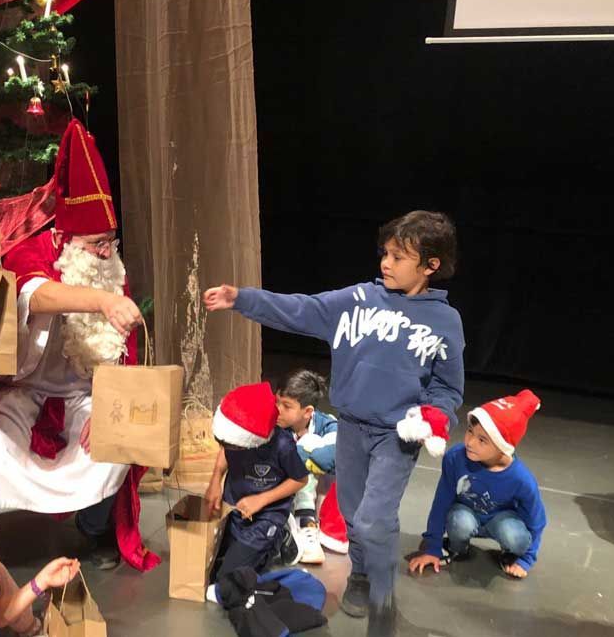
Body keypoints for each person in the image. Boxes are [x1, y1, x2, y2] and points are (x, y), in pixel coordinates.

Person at [204, 210, 465, 622]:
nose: (386, 263)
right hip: (351, 428)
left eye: (399, 257)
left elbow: (448, 387)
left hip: (397, 437)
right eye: (386, 253)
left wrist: (434, 415)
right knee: (351, 512)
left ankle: (382, 599)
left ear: (431, 265)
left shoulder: (445, 321)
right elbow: (299, 309)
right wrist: (243, 299)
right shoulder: (358, 300)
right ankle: (360, 573)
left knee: (375, 521)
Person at [0, 119, 155, 572]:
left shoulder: (109, 269)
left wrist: (109, 408)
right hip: (22, 390)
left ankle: (95, 532)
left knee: (114, 446)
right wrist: (102, 301)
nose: (105, 253)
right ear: (67, 238)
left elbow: (121, 359)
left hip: (84, 393)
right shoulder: (35, 253)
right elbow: (36, 295)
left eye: (110, 243)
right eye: (97, 244)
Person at [409, 390, 546, 580]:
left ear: (503, 447)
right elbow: (441, 503)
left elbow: (536, 520)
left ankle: (510, 555)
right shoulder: (456, 458)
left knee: (515, 536)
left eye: (482, 440)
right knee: (459, 520)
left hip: (501, 521)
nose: (470, 442)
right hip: (466, 515)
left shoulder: (521, 479)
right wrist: (433, 548)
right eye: (470, 431)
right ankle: (457, 549)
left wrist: (527, 559)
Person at [203, 382, 308, 600]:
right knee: (209, 569)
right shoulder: (234, 437)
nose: (229, 448)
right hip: (236, 510)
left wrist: (261, 499)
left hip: (266, 515)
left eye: (234, 446)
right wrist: (215, 481)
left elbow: (300, 479)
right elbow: (225, 450)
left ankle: (281, 536)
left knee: (226, 583)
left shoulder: (282, 445)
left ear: (251, 440)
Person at [273, 369, 338, 565]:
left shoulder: (327, 424)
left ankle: (307, 523)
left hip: (314, 493)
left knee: (312, 444)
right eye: (277, 402)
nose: (278, 409)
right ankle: (285, 521)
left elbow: (333, 458)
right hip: (277, 487)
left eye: (286, 406)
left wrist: (301, 450)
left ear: (308, 411)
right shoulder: (273, 421)